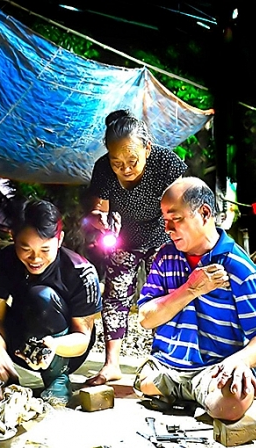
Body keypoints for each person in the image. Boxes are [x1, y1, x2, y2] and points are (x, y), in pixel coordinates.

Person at [134, 177, 256, 421]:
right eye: (165, 221)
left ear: (204, 213)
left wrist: (241, 360)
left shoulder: (239, 267)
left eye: (176, 219)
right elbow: (146, 319)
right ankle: (199, 392)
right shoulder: (165, 258)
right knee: (144, 382)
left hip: (214, 371)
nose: (167, 229)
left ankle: (203, 391)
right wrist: (190, 289)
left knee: (232, 404)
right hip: (167, 368)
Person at [0, 199, 102, 407]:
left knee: (41, 296)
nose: (35, 258)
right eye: (25, 248)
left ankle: (57, 379)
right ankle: (0, 374)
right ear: (13, 238)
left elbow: (82, 339)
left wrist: (54, 345)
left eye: (45, 249)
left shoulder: (81, 272)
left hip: (64, 349)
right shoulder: (6, 260)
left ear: (60, 239)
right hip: (21, 337)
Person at [84, 109, 187, 386]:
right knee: (115, 297)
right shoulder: (103, 168)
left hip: (162, 234)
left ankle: (164, 360)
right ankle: (112, 364)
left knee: (165, 296)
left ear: (148, 148)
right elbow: (96, 208)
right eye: (117, 162)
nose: (125, 168)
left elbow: (183, 202)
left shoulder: (167, 162)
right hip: (122, 235)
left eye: (132, 160)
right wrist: (100, 219)